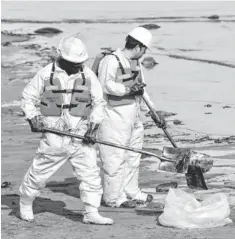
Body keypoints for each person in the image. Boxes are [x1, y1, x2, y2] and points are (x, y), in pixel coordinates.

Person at [19, 33, 113, 225]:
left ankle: (91, 212)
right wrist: (33, 118)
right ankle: (26, 201)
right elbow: (28, 98)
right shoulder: (45, 74)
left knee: (91, 173)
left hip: (81, 133)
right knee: (40, 172)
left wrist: (93, 126)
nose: (78, 66)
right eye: (73, 62)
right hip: (55, 133)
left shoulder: (87, 75)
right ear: (61, 57)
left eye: (80, 62)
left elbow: (99, 103)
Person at [96, 27, 166, 208]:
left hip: (133, 118)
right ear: (138, 47)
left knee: (134, 157)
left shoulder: (136, 63)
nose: (143, 54)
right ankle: (113, 198)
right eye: (144, 50)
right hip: (113, 118)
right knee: (115, 159)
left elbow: (142, 91)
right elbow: (105, 85)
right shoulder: (110, 61)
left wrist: (153, 112)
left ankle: (131, 192)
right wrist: (127, 90)